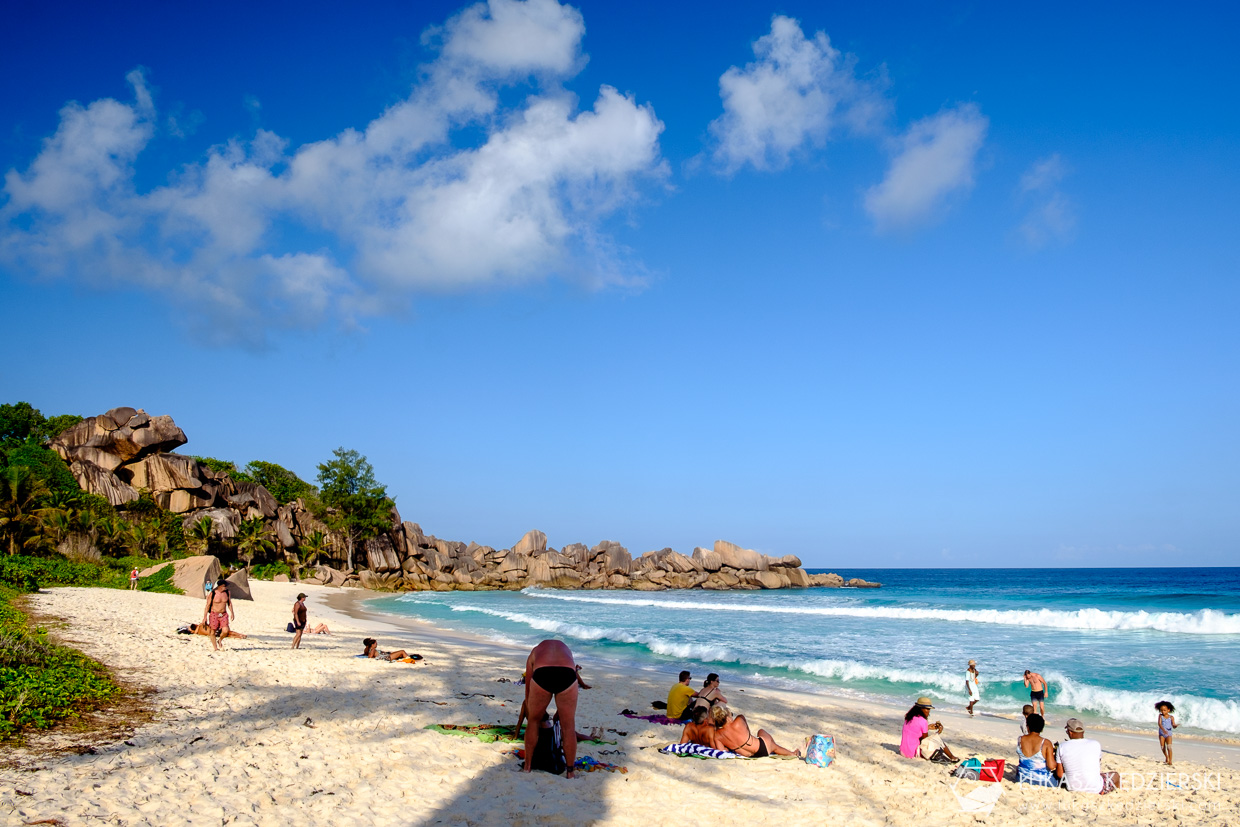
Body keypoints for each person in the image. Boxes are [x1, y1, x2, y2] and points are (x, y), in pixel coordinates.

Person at [522, 640, 582, 778]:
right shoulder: (566, 650)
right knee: (568, 727)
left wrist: (532, 711)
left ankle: (527, 766)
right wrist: (558, 713)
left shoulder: (534, 652)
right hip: (567, 675)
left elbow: (528, 687)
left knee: (533, 721)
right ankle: (570, 772)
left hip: (543, 673)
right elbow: (573, 673)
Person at [1056, 718, 1121, 794]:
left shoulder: (1062, 746)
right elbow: (1097, 763)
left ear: (1070, 732)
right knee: (1116, 775)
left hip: (1072, 787)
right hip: (1095, 788)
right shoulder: (1095, 744)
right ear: (1083, 731)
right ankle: (1116, 793)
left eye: (1066, 731)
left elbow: (1060, 774)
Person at [712, 704, 800, 757]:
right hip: (761, 748)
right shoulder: (739, 720)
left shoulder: (717, 736)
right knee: (761, 732)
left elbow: (722, 751)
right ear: (727, 718)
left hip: (750, 756)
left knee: (770, 744)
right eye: (730, 714)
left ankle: (776, 749)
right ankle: (792, 753)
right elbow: (747, 730)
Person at [899, 697, 959, 762]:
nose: (928, 711)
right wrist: (938, 733)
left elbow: (914, 730)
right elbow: (925, 740)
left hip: (903, 752)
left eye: (929, 709)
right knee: (937, 739)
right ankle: (952, 757)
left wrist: (928, 727)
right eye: (927, 709)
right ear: (920, 709)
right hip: (913, 754)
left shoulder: (909, 717)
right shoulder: (923, 721)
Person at [1016, 713, 1058, 786]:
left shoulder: (1020, 739)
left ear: (1027, 726)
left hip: (1021, 778)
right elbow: (1051, 766)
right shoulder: (1046, 743)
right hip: (1042, 781)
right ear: (1042, 728)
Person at [202, 577, 234, 651]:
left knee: (226, 630)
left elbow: (229, 603)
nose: (226, 587)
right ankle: (215, 647)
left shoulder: (227, 592)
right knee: (212, 631)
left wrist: (232, 613)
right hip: (214, 614)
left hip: (223, 614)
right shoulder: (213, 593)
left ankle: (220, 640)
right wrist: (204, 617)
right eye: (225, 586)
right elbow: (207, 605)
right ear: (220, 586)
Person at [1156, 701, 1178, 765]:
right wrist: (1163, 730)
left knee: (1169, 747)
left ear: (1168, 710)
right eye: (1161, 710)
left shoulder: (1171, 717)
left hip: (1169, 734)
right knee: (1162, 747)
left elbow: (1173, 725)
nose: (1163, 712)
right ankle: (1166, 757)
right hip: (1161, 733)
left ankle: (1170, 761)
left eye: (1164, 710)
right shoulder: (1160, 716)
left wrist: (1175, 726)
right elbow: (1159, 724)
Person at [179, 622, 247, 639]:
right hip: (214, 630)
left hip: (213, 634)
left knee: (227, 635)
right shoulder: (200, 626)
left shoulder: (198, 632)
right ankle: (240, 635)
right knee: (229, 632)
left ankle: (239, 637)